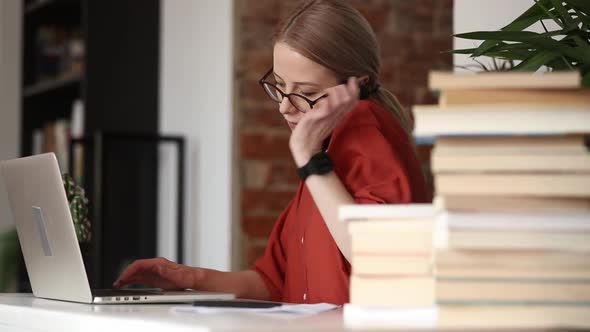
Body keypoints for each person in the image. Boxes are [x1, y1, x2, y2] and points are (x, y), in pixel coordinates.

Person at [113, 0, 430, 305]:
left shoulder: (363, 129)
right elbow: (274, 282)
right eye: (279, 85)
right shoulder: (327, 151)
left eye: (306, 93)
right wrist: (187, 276)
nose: (284, 106)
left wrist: (309, 160)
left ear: (356, 86)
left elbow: (376, 256)